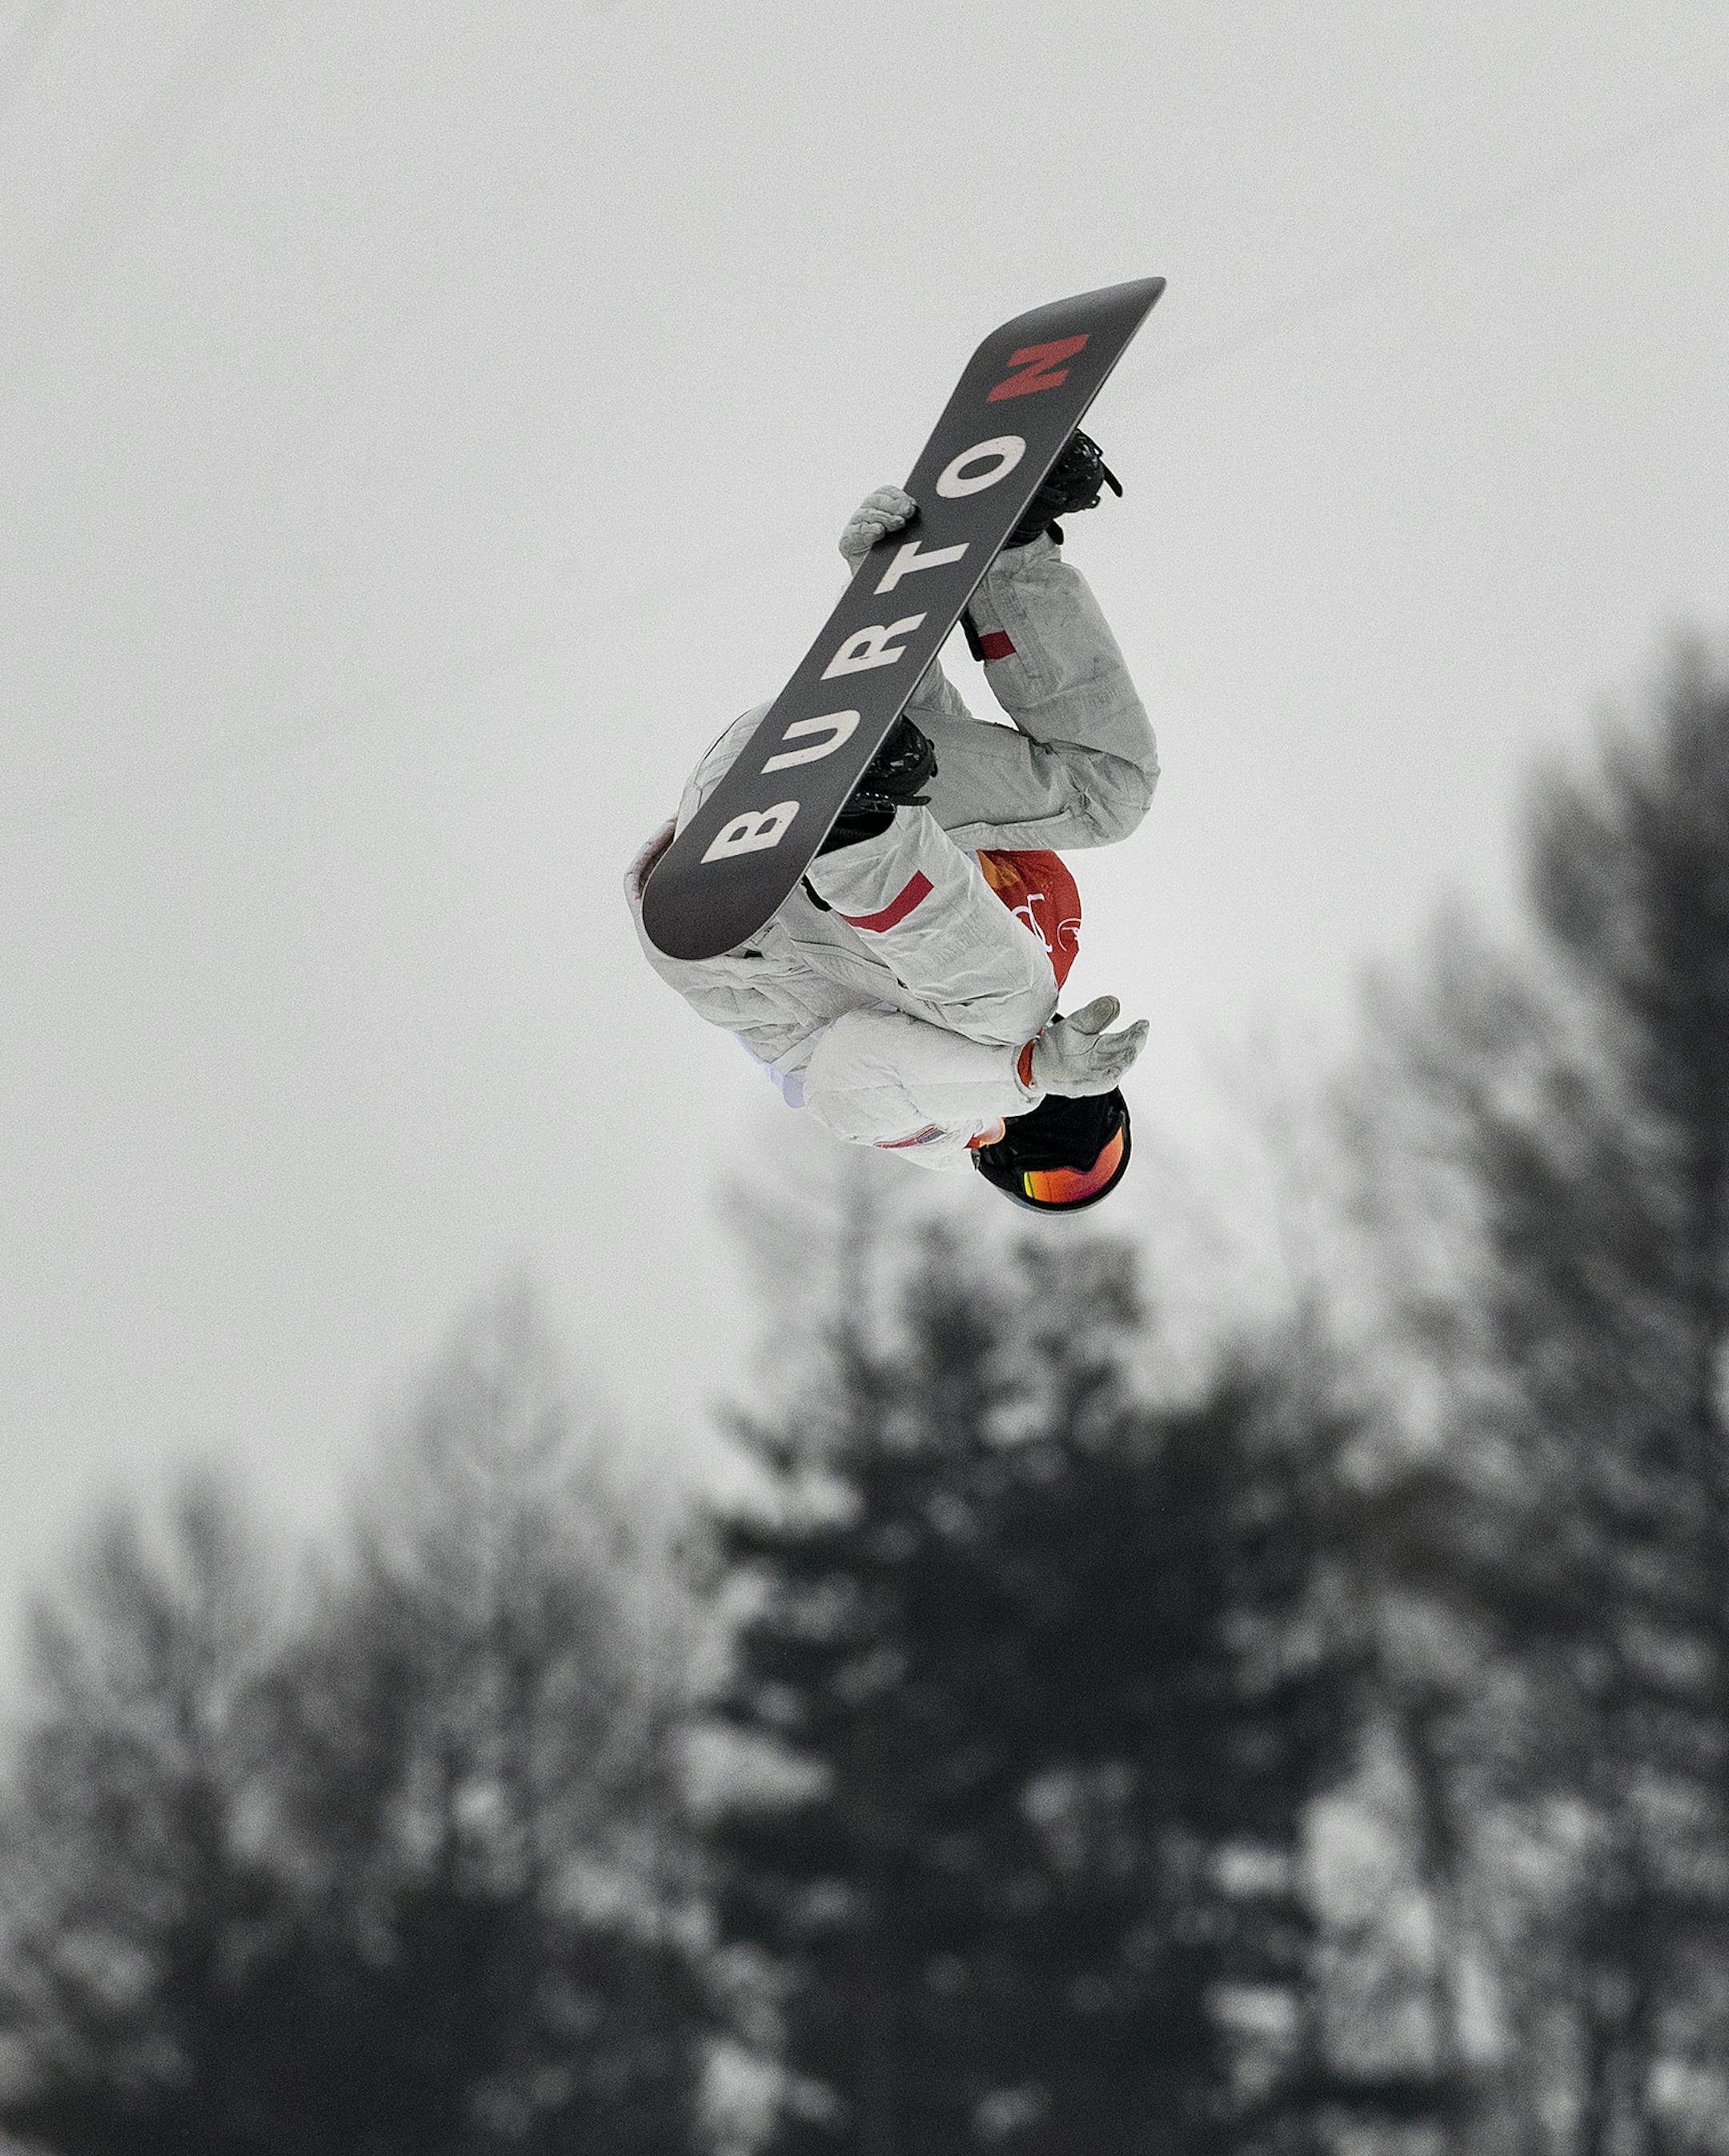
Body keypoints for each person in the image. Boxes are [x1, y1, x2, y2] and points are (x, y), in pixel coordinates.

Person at [625, 434, 1159, 1212]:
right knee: (1111, 792)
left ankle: (852, 827)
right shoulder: (1051, 924)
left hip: (734, 914)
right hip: (792, 766)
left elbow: (843, 1082)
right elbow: (942, 764)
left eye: (1052, 1183)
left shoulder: (954, 1130)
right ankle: (1011, 555)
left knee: (1012, 1011)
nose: (1064, 1157)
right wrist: (899, 590)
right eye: (1093, 1161)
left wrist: (1027, 1075)